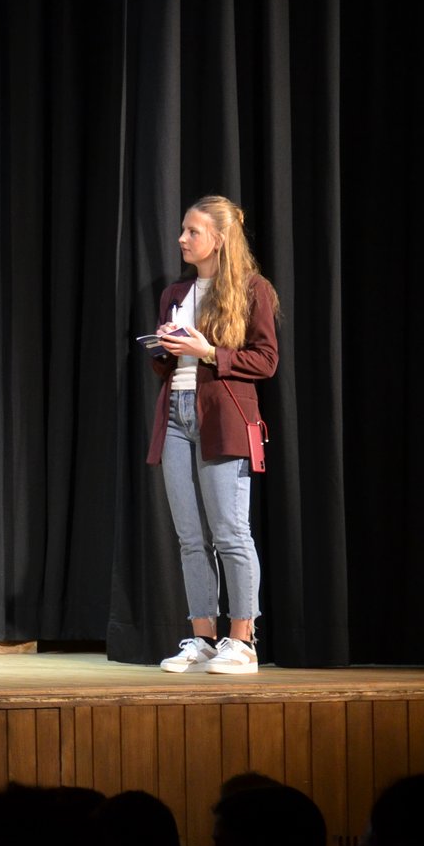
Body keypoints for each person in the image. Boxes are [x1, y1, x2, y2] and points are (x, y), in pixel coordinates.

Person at [149, 196, 280, 674]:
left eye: (193, 231)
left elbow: (266, 360)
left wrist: (208, 351)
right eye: (183, 230)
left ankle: (243, 641)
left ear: (219, 239)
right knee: (190, 537)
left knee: (230, 532)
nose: (182, 239)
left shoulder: (251, 289)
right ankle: (202, 638)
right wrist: (165, 348)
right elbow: (166, 367)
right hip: (176, 415)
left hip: (224, 417)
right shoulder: (175, 292)